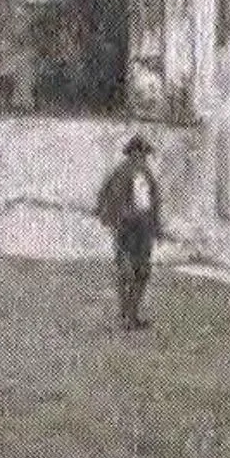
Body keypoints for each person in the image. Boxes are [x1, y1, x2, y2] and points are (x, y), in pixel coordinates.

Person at [95, 134, 163, 331]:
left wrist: (156, 227)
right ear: (132, 153)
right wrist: (113, 218)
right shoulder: (120, 174)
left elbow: (153, 204)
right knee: (127, 272)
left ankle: (133, 314)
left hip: (143, 229)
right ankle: (126, 315)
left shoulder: (147, 176)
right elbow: (104, 199)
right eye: (140, 153)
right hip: (127, 228)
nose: (143, 158)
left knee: (142, 271)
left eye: (144, 155)